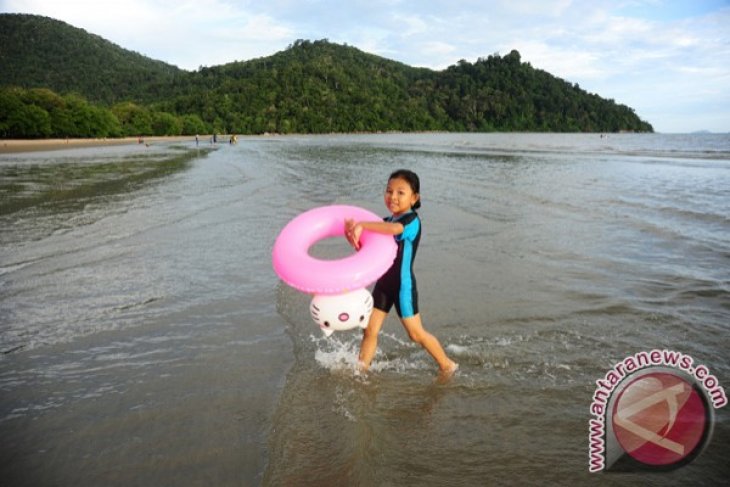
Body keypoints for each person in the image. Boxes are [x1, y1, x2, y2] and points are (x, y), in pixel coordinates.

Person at [345, 169, 458, 377]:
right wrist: (352, 234)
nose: (393, 197)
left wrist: (363, 224)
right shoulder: (384, 221)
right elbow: (368, 251)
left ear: (415, 198)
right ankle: (362, 371)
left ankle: (447, 365)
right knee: (369, 330)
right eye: (389, 191)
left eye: (400, 192)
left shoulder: (411, 221)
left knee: (415, 334)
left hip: (403, 286)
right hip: (383, 285)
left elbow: (396, 230)